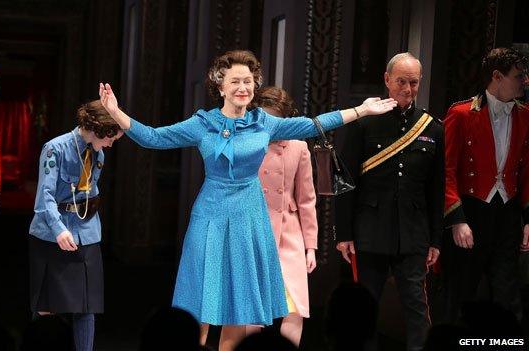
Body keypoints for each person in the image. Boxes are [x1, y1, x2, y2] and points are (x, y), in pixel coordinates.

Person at [99, 50, 396, 351]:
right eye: (235, 81)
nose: (243, 87)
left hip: (249, 216)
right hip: (211, 214)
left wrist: (361, 110)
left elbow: (314, 124)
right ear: (220, 86)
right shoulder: (203, 124)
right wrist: (115, 112)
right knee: (201, 295)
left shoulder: (263, 123)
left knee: (239, 301)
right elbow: (153, 137)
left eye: (248, 81)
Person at [334, 52, 444, 351]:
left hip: (413, 234)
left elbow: (436, 190)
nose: (407, 89)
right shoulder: (364, 123)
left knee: (417, 310)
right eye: (401, 82)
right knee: (364, 311)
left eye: (413, 83)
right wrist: (343, 233)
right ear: (386, 80)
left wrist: (435, 239)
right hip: (369, 231)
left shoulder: (431, 127)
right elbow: (344, 181)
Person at [440, 47, 529, 323]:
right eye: (518, 75)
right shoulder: (462, 113)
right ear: (497, 77)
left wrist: (528, 219)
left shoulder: (526, 115)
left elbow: (527, 171)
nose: (525, 81)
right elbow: (447, 170)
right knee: (461, 289)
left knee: (507, 291)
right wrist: (456, 219)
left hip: (508, 214)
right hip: (471, 211)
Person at [28, 100, 123, 351]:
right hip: (52, 233)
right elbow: (44, 197)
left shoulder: (97, 153)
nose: (112, 143)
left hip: (86, 231)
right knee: (46, 304)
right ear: (99, 128)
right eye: (111, 137)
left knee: (86, 305)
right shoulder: (55, 148)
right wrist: (59, 230)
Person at [253, 86, 317, 346]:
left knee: (295, 306)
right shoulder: (248, 143)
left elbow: (306, 200)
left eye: (276, 119)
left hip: (289, 235)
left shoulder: (298, 146)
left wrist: (310, 247)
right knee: (253, 309)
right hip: (254, 230)